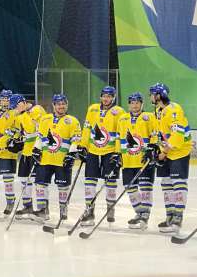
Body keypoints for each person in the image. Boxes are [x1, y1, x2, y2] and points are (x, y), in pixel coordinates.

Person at [79, 86, 125, 226]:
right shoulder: (92, 109)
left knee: (110, 181)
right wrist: (83, 146)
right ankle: (89, 211)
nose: (106, 99)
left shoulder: (119, 112)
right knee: (89, 181)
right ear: (100, 97)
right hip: (93, 151)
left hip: (110, 152)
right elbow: (87, 128)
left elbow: (120, 134)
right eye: (104, 96)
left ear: (114, 97)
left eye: (109, 96)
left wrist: (118, 152)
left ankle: (110, 209)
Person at [150, 83, 192, 234]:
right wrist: (157, 149)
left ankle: (178, 217)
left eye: (152, 94)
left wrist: (165, 151)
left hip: (179, 151)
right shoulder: (158, 110)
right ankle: (170, 216)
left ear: (159, 95)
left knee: (178, 183)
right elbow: (161, 133)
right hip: (166, 151)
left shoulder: (174, 110)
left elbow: (177, 134)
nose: (150, 97)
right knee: (166, 183)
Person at [33, 94, 82, 222]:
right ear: (54, 106)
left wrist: (71, 154)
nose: (61, 106)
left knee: (63, 187)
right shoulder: (45, 119)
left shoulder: (72, 120)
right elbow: (40, 136)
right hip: (45, 159)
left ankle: (63, 210)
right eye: (58, 104)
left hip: (62, 160)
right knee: (40, 185)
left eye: (63, 103)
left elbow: (76, 140)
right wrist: (36, 149)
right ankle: (42, 211)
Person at [116, 92, 159, 229]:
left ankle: (145, 216)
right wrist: (117, 154)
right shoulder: (122, 119)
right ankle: (139, 212)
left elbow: (155, 134)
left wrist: (152, 149)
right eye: (132, 102)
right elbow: (118, 138)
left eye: (137, 102)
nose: (135, 105)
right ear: (128, 104)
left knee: (146, 187)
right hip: (127, 160)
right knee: (130, 188)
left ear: (142, 104)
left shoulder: (149, 117)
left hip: (144, 160)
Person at [14, 95, 46, 219]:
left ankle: (42, 209)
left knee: (37, 181)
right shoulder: (22, 115)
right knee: (23, 179)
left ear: (22, 102)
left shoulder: (37, 109)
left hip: (37, 151)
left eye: (16, 106)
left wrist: (23, 114)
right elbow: (25, 133)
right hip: (26, 152)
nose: (15, 109)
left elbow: (35, 129)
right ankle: (27, 206)